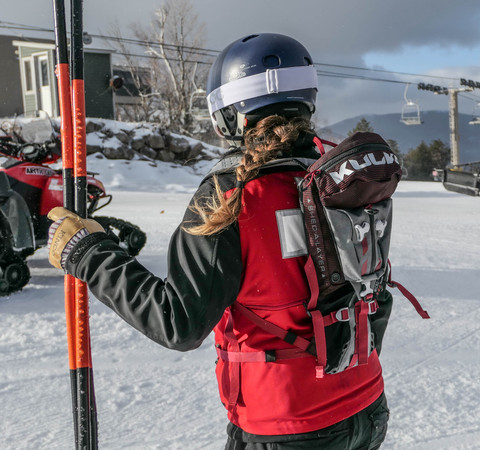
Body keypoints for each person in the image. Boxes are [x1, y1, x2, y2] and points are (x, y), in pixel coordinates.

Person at [47, 33, 389, 450]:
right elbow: (375, 295)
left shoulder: (230, 196)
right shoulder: (340, 182)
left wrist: (88, 254)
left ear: (230, 115)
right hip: (367, 407)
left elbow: (179, 322)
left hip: (286, 424)